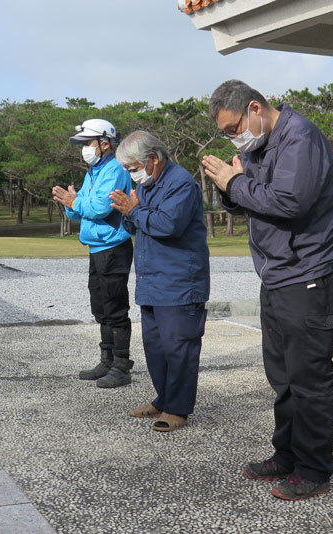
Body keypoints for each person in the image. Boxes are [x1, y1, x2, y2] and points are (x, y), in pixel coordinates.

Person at [202, 80, 333, 500]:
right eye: (228, 133)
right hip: (278, 273)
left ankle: (314, 469)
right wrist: (229, 189)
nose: (235, 137)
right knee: (283, 376)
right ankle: (286, 453)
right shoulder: (260, 146)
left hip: (311, 271)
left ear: (254, 108)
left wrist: (234, 184)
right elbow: (256, 198)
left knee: (309, 377)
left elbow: (288, 202)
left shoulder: (300, 137)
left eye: (234, 127)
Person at [109, 131, 210, 432]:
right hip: (152, 282)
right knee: (156, 347)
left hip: (180, 281)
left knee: (179, 346)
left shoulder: (181, 184)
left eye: (132, 167)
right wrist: (130, 209)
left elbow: (168, 225)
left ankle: (177, 409)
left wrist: (135, 209)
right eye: (127, 169)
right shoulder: (148, 184)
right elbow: (133, 222)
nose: (131, 174)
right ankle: (163, 398)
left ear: (153, 158)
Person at [52, 119, 134, 388]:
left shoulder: (115, 169)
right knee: (100, 306)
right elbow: (79, 211)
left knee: (115, 306)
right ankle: (106, 360)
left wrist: (75, 201)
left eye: (88, 143)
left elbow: (99, 208)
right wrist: (70, 201)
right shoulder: (93, 172)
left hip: (113, 247)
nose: (84, 149)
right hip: (96, 247)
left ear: (105, 143)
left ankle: (121, 366)